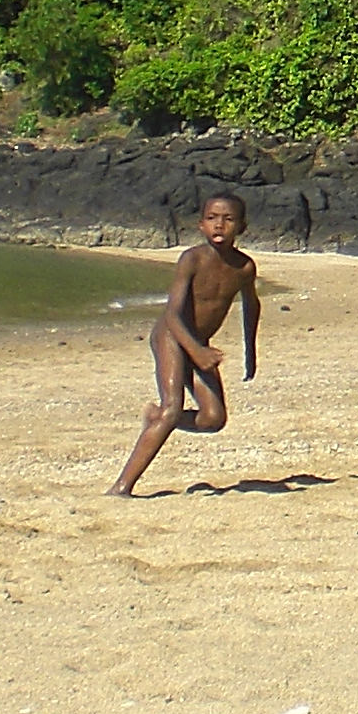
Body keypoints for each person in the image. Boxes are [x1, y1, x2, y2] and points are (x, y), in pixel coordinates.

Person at [110, 192, 260, 496]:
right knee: (172, 407)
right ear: (201, 225)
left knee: (214, 418)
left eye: (228, 219)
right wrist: (196, 351)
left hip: (198, 343)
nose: (219, 225)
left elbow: (251, 305)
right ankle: (121, 487)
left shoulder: (244, 268)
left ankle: (158, 419)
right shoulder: (192, 259)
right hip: (172, 336)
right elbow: (172, 313)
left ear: (242, 227)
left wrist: (251, 351)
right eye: (212, 218)